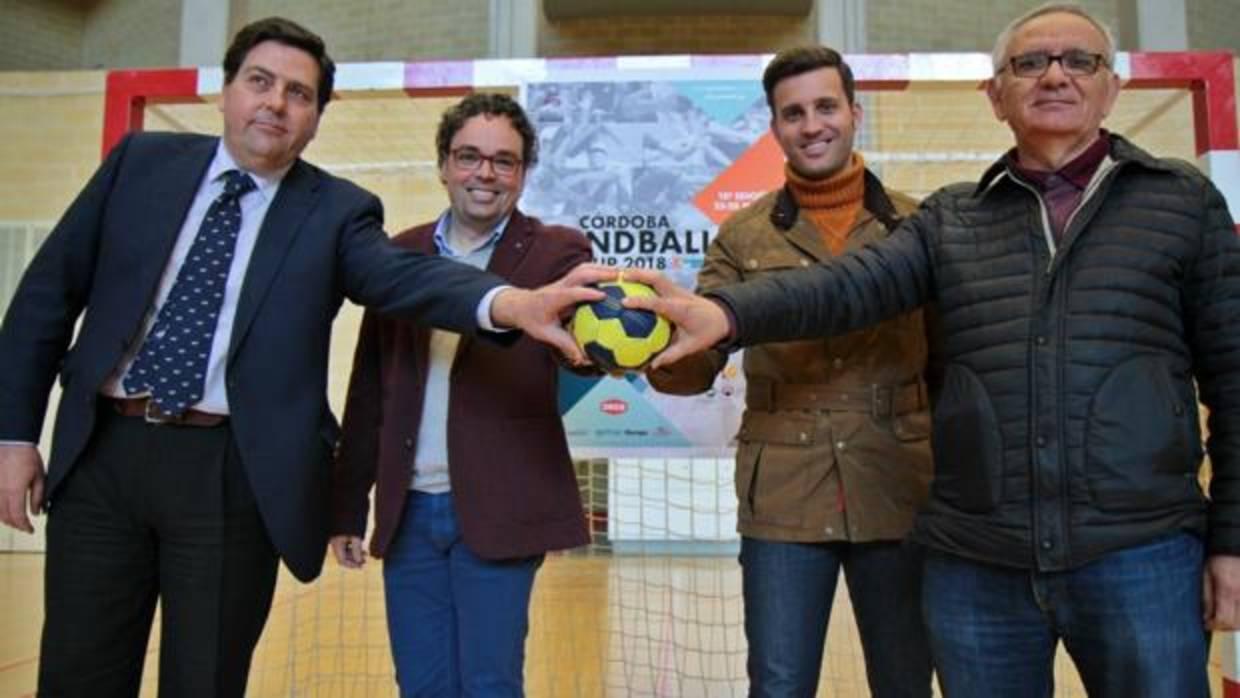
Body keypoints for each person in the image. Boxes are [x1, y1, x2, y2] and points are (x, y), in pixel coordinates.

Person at [627, 4, 1240, 696]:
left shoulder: (1181, 203)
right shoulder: (953, 220)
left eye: (1080, 60)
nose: (1055, 77)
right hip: (977, 554)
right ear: (997, 94)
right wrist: (718, 315)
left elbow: (1231, 378)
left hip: (1131, 548)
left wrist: (1231, 539)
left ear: (1113, 84)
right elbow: (844, 288)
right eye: (1029, 63)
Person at [0, 18, 606, 698]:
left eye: (299, 93)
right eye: (260, 82)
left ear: (316, 118)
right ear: (227, 92)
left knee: (205, 679)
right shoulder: (138, 164)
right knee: (77, 673)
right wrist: (14, 434)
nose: (276, 104)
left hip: (230, 475)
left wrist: (509, 305)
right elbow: (45, 299)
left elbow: (407, 278)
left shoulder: (339, 213)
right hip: (102, 459)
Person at [645, 46, 933, 698]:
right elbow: (700, 363)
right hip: (782, 494)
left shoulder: (918, 227)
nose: (812, 125)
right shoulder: (742, 237)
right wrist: (649, 351)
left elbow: (949, 361)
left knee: (906, 680)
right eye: (793, 113)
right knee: (778, 684)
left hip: (900, 484)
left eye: (825, 106)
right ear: (774, 127)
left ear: (854, 112)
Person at [328, 93, 592, 697]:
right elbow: (370, 385)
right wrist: (347, 503)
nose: (485, 174)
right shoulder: (399, 252)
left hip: (500, 506)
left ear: (523, 173)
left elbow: (576, 355)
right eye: (469, 156)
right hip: (410, 511)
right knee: (421, 687)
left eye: (504, 161)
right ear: (444, 164)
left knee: (490, 684)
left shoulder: (560, 254)